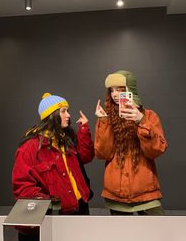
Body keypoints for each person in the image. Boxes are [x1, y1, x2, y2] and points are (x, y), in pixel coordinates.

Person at [95, 70, 168, 215]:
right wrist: (104, 122)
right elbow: (103, 154)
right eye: (112, 90)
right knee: (121, 236)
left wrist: (142, 121)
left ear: (130, 91)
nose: (115, 94)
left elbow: (156, 150)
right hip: (116, 191)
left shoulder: (149, 116)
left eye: (120, 89)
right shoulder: (107, 118)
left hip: (146, 191)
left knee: (155, 231)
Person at [12, 92, 94, 215]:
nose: (68, 115)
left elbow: (86, 157)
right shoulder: (30, 147)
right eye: (63, 111)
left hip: (80, 205)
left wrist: (84, 130)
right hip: (56, 212)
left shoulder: (67, 138)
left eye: (67, 111)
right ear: (51, 115)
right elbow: (22, 184)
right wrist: (45, 205)